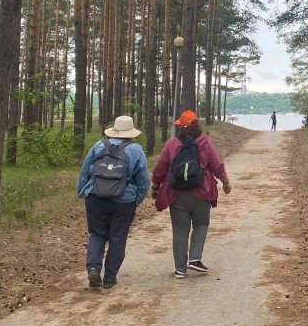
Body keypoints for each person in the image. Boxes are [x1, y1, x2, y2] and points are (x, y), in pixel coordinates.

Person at [151, 110, 232, 279]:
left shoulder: (171, 144)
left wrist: (155, 187)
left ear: (181, 126)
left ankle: (180, 269)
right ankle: (195, 259)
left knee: (180, 230)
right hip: (202, 192)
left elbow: (160, 168)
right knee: (201, 224)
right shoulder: (205, 142)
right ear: (197, 126)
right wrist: (225, 182)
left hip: (177, 194)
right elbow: (217, 165)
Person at [77, 115, 149, 289]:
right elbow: (143, 180)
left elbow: (85, 172)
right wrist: (135, 199)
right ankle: (109, 278)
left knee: (97, 234)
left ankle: (94, 268)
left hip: (95, 197)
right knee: (117, 238)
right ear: (131, 132)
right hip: (123, 201)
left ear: (114, 130)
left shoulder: (99, 145)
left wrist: (83, 192)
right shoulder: (136, 150)